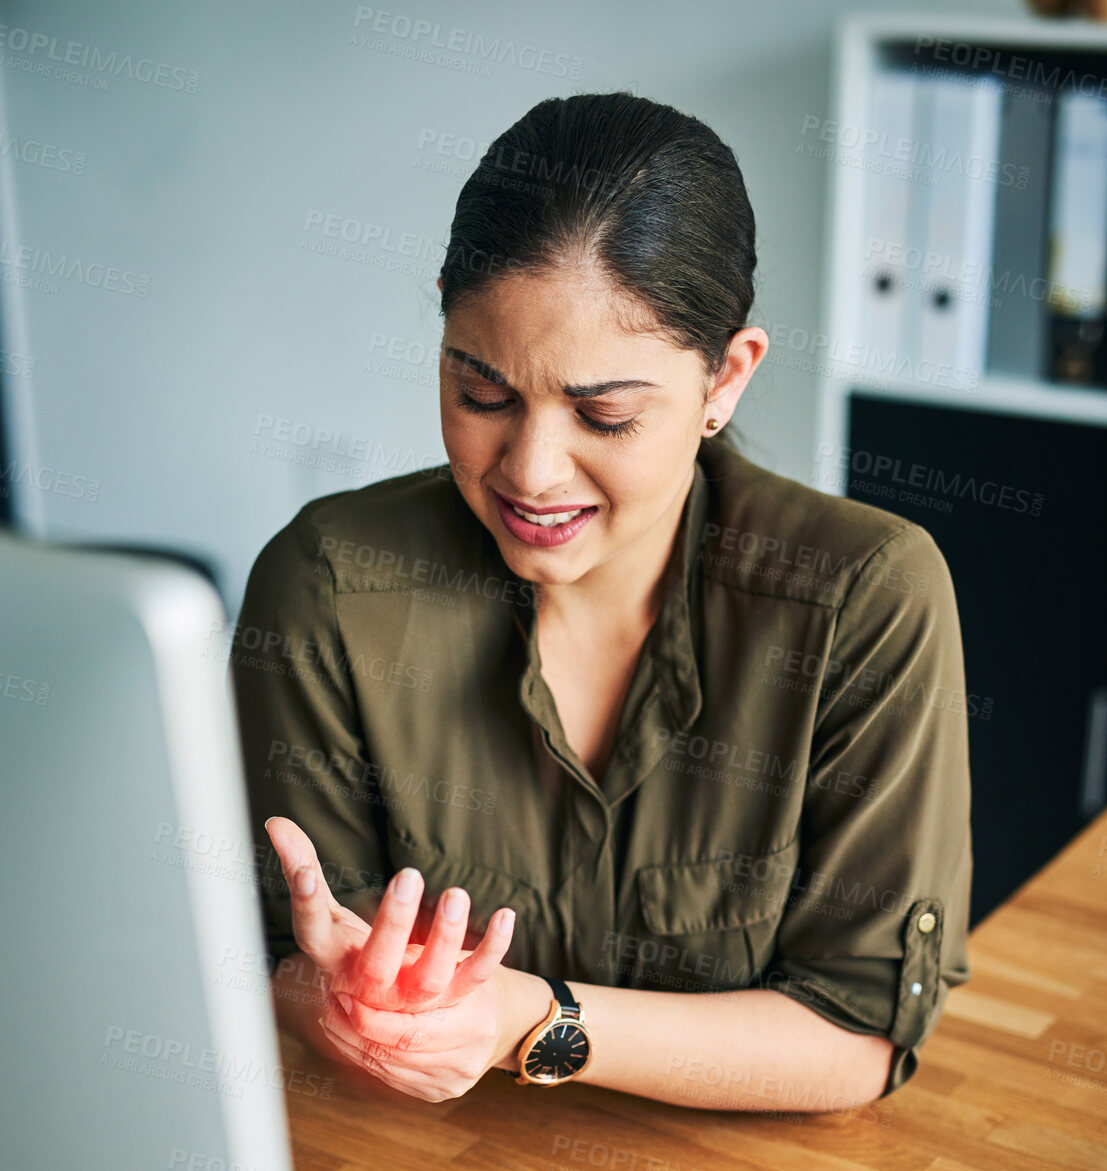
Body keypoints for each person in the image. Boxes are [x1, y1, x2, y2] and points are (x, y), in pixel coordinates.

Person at [230, 92, 971, 1112]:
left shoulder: (863, 600)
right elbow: (276, 957)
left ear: (726, 379)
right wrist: (337, 1001)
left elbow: (855, 1036)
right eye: (482, 392)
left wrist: (523, 1022)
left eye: (605, 415)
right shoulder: (328, 586)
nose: (530, 472)